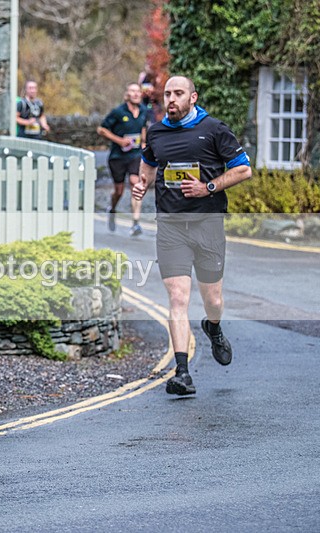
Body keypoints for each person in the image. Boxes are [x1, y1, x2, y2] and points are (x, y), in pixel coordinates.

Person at [132, 76, 252, 396]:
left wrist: (207, 187)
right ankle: (182, 372)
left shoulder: (213, 129)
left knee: (213, 300)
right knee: (178, 298)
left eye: (178, 93)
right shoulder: (156, 131)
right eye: (167, 93)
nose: (171, 99)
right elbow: (147, 165)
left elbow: (243, 169)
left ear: (193, 97)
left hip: (208, 225)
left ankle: (212, 327)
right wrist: (141, 184)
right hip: (171, 227)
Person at [97, 82, 148, 236]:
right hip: (118, 157)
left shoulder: (144, 110)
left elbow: (143, 127)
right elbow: (101, 129)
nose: (136, 94)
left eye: (138, 91)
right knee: (119, 191)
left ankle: (136, 223)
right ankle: (112, 209)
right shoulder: (118, 112)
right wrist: (119, 141)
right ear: (127, 94)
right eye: (132, 91)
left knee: (135, 182)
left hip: (136, 154)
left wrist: (144, 141)